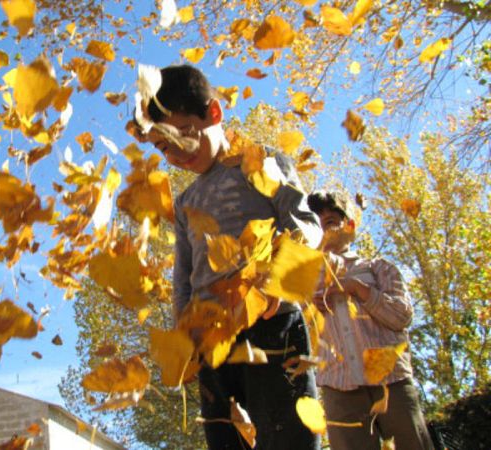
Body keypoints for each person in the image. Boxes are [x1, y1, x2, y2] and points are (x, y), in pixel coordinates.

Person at [129, 64, 321, 450]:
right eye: (164, 146)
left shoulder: (259, 163)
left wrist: (279, 281)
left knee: (288, 437)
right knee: (225, 439)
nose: (176, 152)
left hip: (270, 325)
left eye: (183, 134)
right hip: (211, 339)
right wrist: (184, 334)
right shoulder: (184, 203)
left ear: (213, 114)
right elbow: (183, 277)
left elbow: (306, 224)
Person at [309, 191, 434, 450]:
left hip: (392, 382)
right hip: (338, 389)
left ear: (349, 225)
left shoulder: (379, 268)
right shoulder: (304, 284)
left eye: (331, 221)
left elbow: (401, 316)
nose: (325, 231)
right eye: (316, 225)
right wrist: (309, 308)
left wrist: (358, 288)